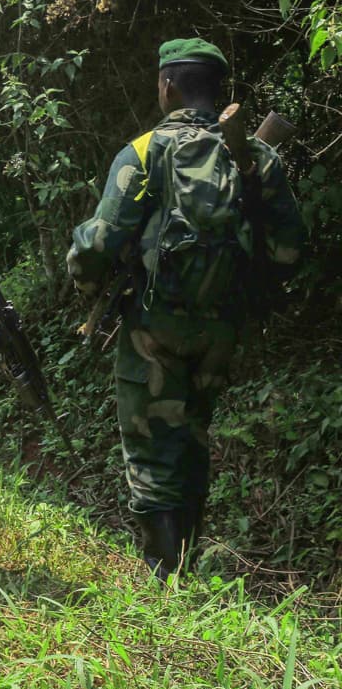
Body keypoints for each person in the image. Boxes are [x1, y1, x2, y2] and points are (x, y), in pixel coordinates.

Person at [68, 38, 305, 579]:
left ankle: (161, 575)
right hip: (221, 328)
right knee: (194, 436)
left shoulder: (146, 150)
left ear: (167, 85)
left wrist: (90, 289)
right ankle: (187, 562)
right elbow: (290, 251)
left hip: (153, 324)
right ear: (218, 89)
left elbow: (96, 246)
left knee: (152, 447)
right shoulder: (253, 156)